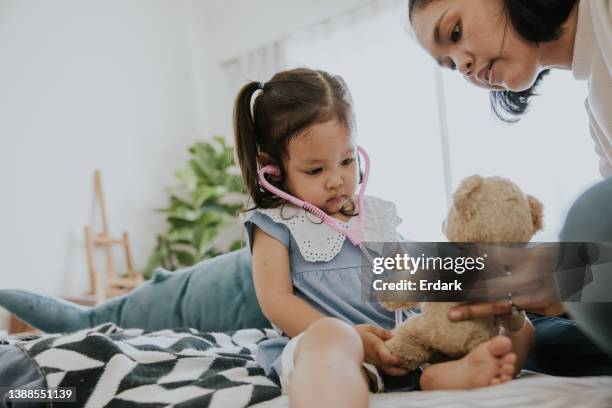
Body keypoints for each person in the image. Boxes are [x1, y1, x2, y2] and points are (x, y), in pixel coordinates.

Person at [232, 67, 533, 408]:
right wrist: (353, 338)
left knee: (477, 332)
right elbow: (275, 299)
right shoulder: (274, 223)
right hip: (331, 344)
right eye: (315, 170)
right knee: (331, 340)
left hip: (397, 343)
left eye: (346, 160)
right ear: (272, 168)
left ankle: (447, 376)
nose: (337, 180)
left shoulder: (374, 215)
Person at [406, 0, 612, 373]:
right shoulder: (599, 110)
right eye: (450, 64)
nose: (463, 67)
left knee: (592, 219)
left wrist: (575, 271)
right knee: (533, 341)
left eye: (455, 32)